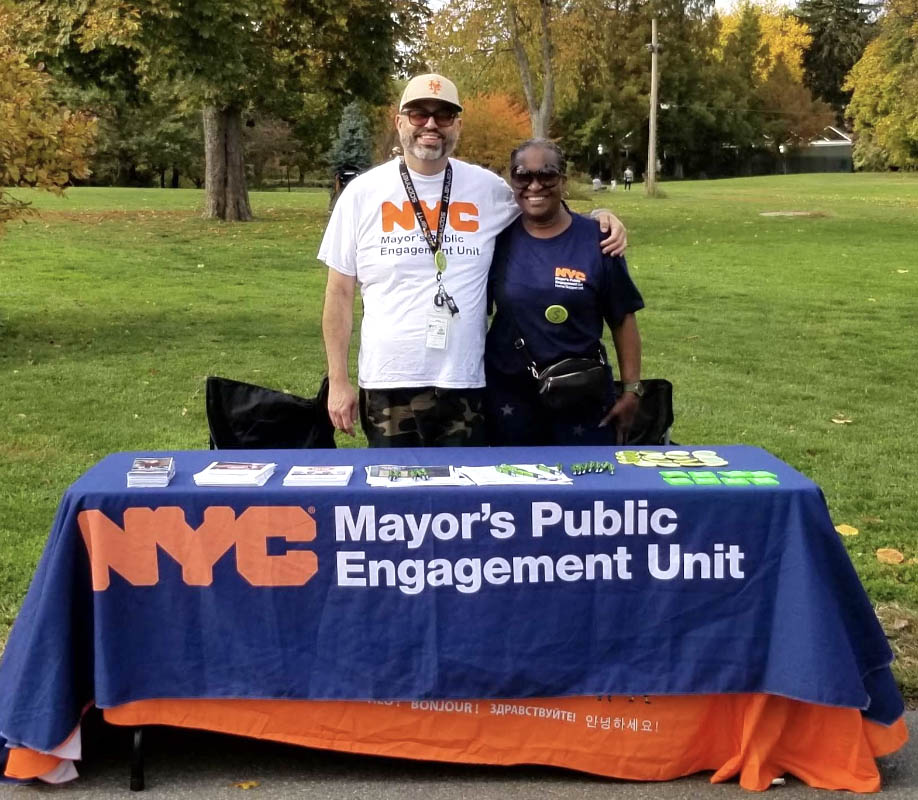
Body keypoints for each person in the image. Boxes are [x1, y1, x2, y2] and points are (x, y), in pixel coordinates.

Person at [318, 73, 626, 447]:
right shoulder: (362, 194)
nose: (431, 124)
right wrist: (338, 379)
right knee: (393, 497)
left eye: (444, 115)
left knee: (463, 500)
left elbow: (543, 204)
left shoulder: (487, 189)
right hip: (387, 382)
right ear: (399, 122)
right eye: (418, 114)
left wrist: (598, 219)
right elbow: (338, 293)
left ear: (457, 126)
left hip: (465, 383)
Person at [484, 139, 644, 446]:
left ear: (563, 181)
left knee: (590, 486)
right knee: (513, 489)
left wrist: (631, 389)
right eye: (523, 175)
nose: (535, 185)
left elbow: (623, 318)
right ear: (511, 180)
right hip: (509, 395)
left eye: (547, 175)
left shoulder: (599, 240)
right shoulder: (494, 240)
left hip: (582, 395)